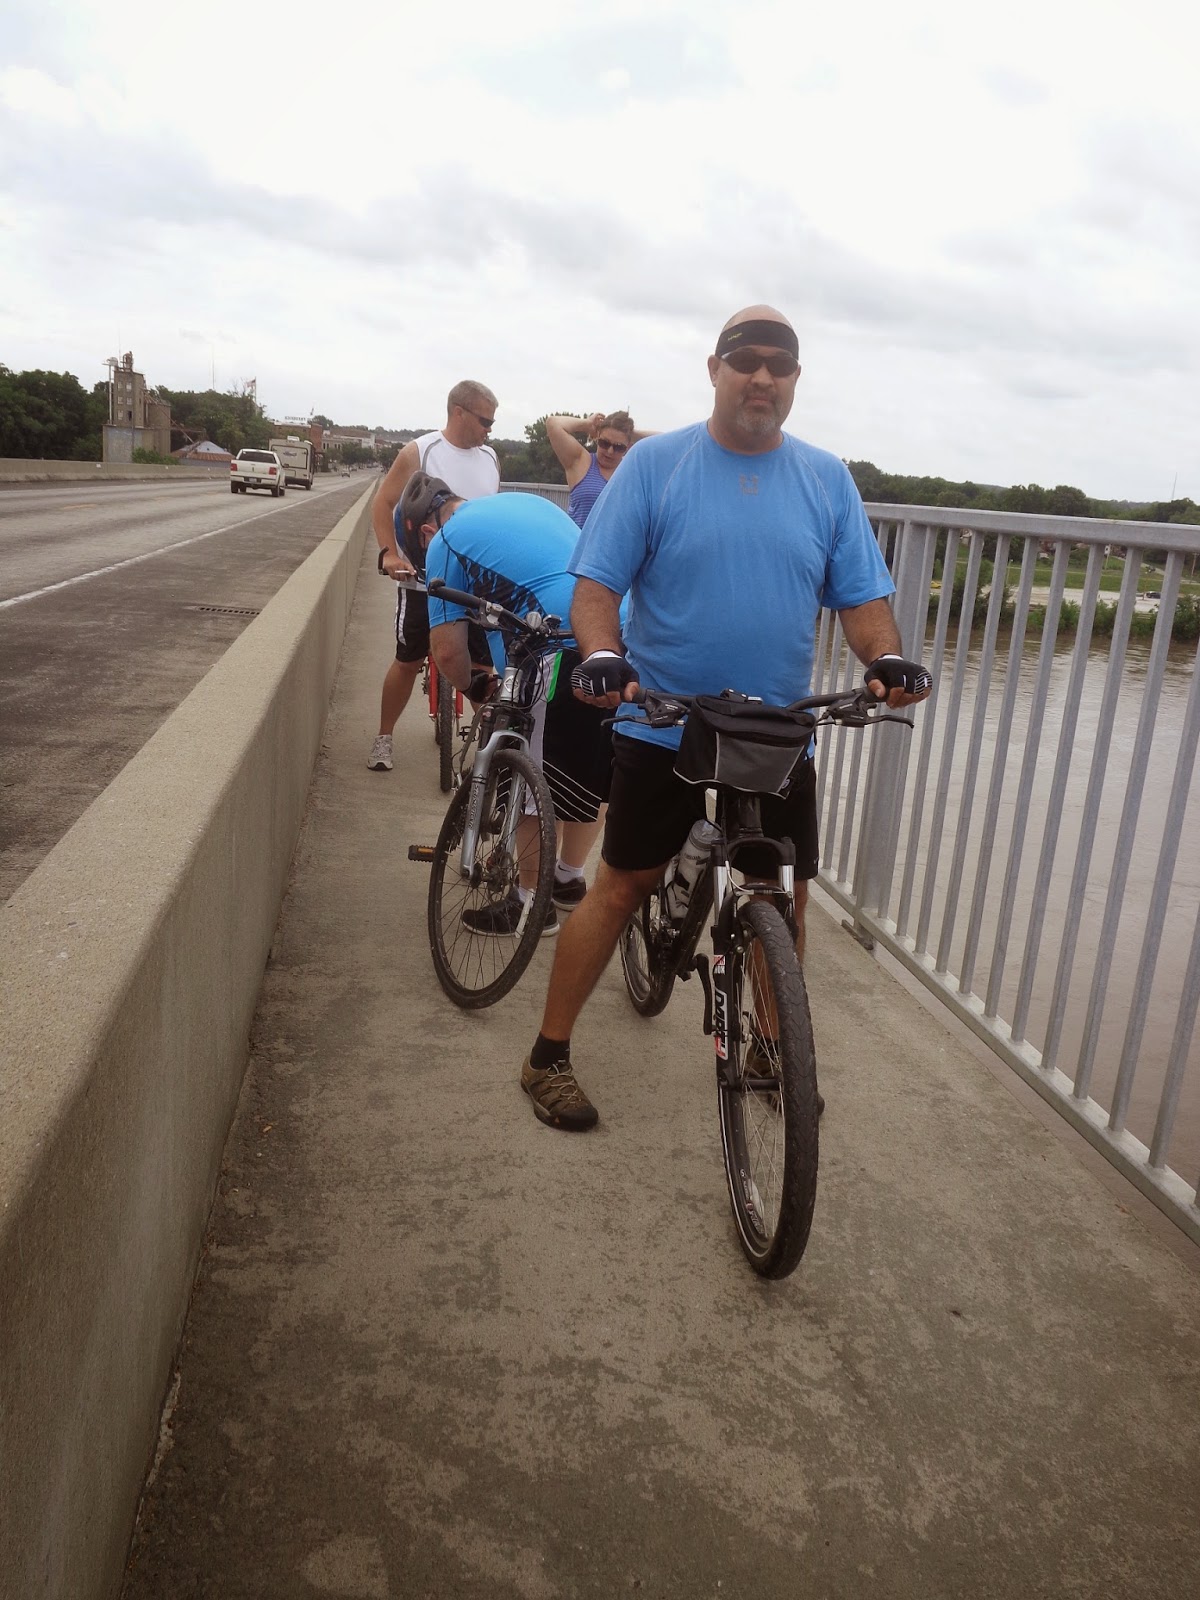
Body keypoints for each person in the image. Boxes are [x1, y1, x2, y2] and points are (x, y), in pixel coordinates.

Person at [518, 304, 933, 1131]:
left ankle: (773, 1048)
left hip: (776, 732)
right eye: (747, 360)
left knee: (783, 895)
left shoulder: (825, 479)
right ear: (715, 369)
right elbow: (597, 586)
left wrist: (882, 660)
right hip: (665, 719)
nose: (763, 377)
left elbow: (863, 599)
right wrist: (604, 655)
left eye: (780, 364)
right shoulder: (656, 466)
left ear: (795, 382)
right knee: (623, 885)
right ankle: (547, 1057)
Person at [397, 472, 615, 929]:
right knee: (590, 774)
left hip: (557, 647)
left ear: (423, 533)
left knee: (533, 780)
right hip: (614, 639)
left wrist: (476, 688)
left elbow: (448, 651)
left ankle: (528, 905)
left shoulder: (445, 542)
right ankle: (569, 878)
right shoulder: (526, 503)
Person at [367, 381, 501, 772]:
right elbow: (384, 501)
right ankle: (383, 737)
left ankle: (490, 748)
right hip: (422, 579)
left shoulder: (491, 458)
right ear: (458, 412)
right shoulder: (421, 451)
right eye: (484, 419)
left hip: (474, 583)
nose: (489, 428)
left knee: (482, 669)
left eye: (493, 421)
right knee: (407, 661)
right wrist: (390, 553)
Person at [544, 411, 645, 529]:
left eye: (619, 447)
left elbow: (668, 444)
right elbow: (553, 424)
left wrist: (632, 433)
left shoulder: (632, 472)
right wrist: (587, 424)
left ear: (628, 447)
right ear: (597, 437)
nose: (610, 451)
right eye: (604, 443)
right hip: (578, 545)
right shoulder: (581, 462)